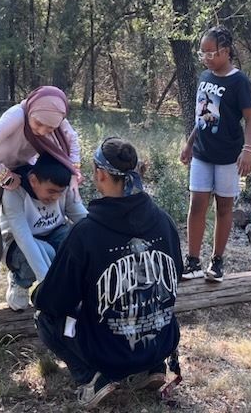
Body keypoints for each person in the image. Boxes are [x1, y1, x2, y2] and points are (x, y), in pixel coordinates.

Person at [33, 137, 183, 409]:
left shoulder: (85, 233)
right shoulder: (164, 221)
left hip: (107, 352)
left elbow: (54, 300)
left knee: (46, 319)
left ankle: (91, 378)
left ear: (99, 174)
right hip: (161, 339)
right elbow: (176, 278)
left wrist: (37, 292)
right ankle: (152, 367)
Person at [0, 86, 87, 314]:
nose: (43, 131)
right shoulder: (16, 115)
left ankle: (24, 275)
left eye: (50, 128)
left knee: (36, 206)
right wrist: (4, 177)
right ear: (31, 111)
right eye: (38, 125)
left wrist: (74, 174)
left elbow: (72, 142)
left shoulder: (56, 118)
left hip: (23, 165)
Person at [179, 26, 251, 282]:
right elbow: (203, 116)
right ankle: (192, 261)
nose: (206, 58)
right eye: (202, 53)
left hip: (228, 156)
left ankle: (217, 261)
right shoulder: (205, 76)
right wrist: (190, 144)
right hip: (202, 153)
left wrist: (247, 150)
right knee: (197, 205)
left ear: (225, 51)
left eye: (211, 53)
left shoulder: (239, 81)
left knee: (224, 207)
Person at [0, 153, 74, 311]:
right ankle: (20, 281)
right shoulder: (15, 192)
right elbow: (24, 238)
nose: (56, 197)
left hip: (53, 234)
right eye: (51, 191)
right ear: (33, 180)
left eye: (60, 192)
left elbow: (82, 218)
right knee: (46, 253)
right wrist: (47, 284)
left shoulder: (63, 187)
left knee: (74, 242)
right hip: (16, 243)